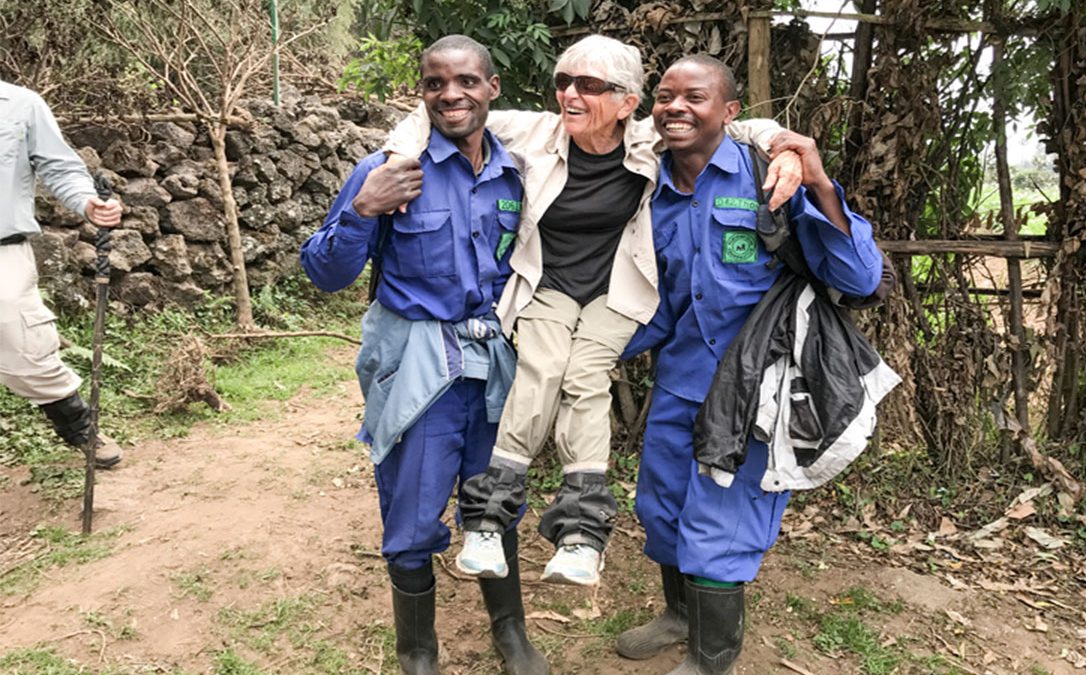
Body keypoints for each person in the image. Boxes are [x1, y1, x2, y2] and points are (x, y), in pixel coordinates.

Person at [383, 34, 807, 587]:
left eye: (589, 86)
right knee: (540, 370)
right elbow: (435, 112)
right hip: (546, 285)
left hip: (617, 289)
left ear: (628, 102)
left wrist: (789, 148)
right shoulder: (533, 133)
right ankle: (488, 520)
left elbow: (734, 125)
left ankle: (582, 533)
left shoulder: (649, 138)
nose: (570, 95)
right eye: (563, 83)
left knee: (584, 377)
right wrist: (398, 157)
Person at [615, 55, 885, 675]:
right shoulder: (646, 183)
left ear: (730, 113)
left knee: (719, 527)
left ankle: (712, 661)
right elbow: (651, 297)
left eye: (696, 97)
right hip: (679, 380)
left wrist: (818, 183)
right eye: (665, 95)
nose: (676, 107)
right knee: (660, 509)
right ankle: (679, 616)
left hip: (757, 389)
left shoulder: (770, 178)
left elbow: (859, 276)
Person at [300, 36, 546, 675]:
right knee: (411, 510)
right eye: (436, 83)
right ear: (423, 93)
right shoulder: (387, 167)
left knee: (494, 500)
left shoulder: (517, 171)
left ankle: (510, 630)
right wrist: (363, 208)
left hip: (494, 365)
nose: (451, 94)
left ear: (492, 88)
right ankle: (417, 649)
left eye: (466, 81)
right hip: (419, 366)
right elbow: (323, 273)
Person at [0, 78, 124, 468]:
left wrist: (87, 202)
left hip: (4, 251)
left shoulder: (20, 104)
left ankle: (78, 425)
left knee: (27, 347)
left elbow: (59, 167)